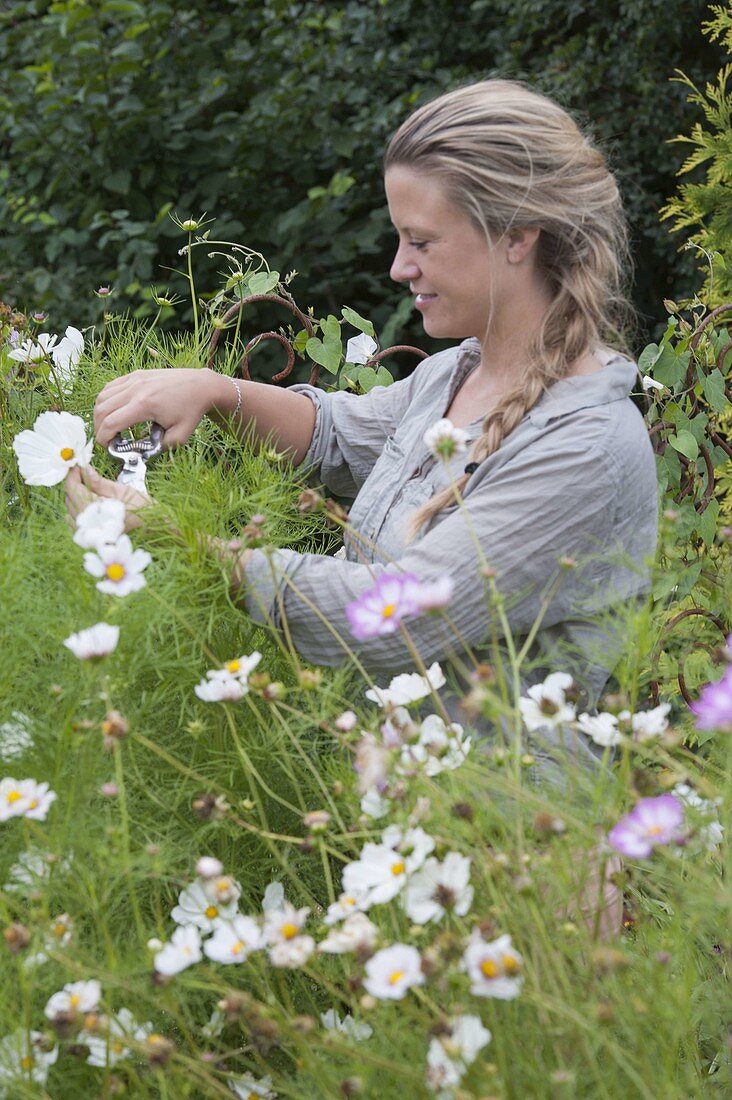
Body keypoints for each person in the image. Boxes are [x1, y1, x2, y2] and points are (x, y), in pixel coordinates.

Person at [67, 80, 659, 763]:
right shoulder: (455, 373)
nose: (399, 266)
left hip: (505, 836)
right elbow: (339, 436)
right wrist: (216, 392)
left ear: (518, 236)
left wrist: (183, 547)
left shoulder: (586, 446)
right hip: (392, 801)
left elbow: (403, 617)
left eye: (422, 241)